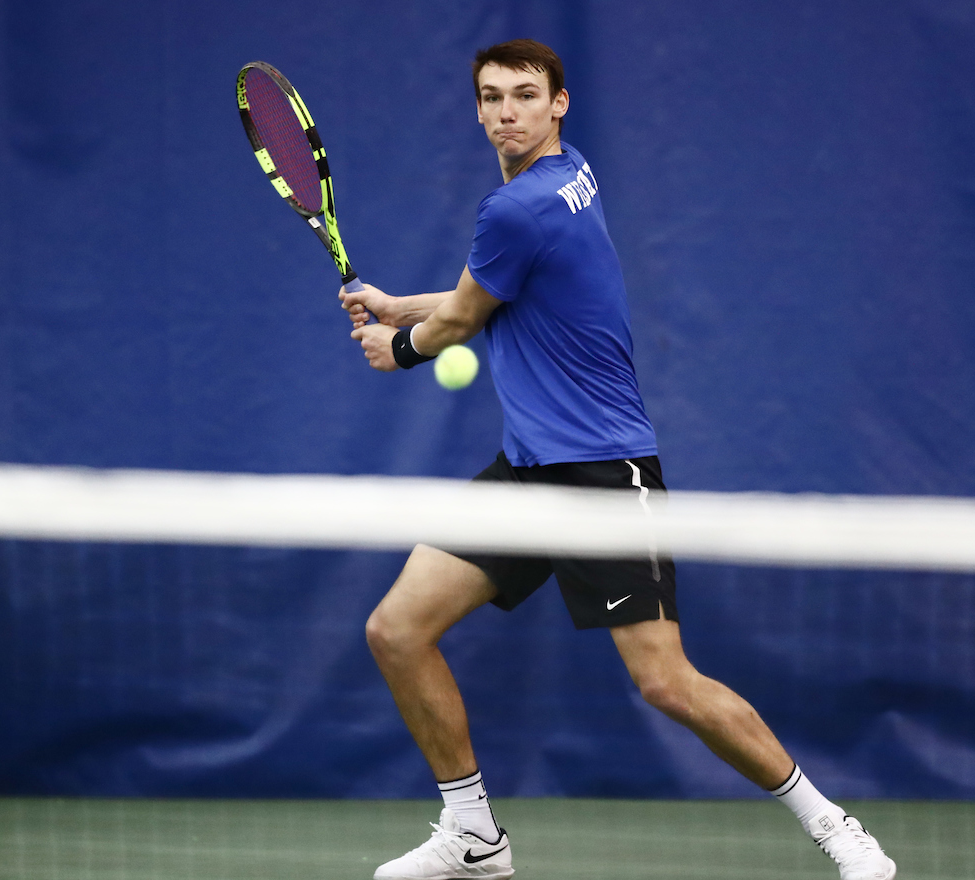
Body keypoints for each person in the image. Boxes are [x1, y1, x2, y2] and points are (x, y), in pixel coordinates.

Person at [339, 38, 896, 880]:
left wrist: (402, 345)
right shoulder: (564, 179)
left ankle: (837, 831)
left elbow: (457, 323)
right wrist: (397, 303)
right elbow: (478, 295)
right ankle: (473, 836)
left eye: (525, 95)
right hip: (528, 470)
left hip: (603, 474)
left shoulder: (516, 208)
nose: (506, 112)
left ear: (559, 104)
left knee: (667, 684)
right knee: (397, 628)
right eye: (491, 97)